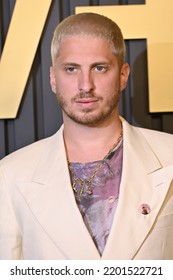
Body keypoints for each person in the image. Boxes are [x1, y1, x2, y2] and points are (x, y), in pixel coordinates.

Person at [0, 12, 173, 260]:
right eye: (71, 69)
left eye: (99, 68)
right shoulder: (10, 175)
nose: (85, 85)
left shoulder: (169, 156)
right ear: (53, 78)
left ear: (123, 75)